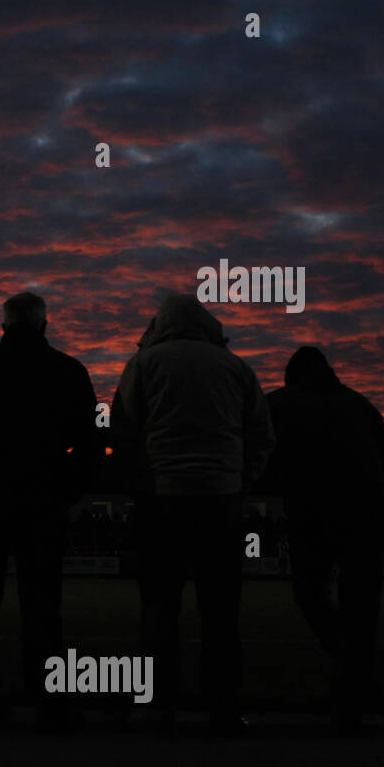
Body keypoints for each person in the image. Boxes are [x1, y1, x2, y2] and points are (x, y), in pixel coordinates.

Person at [111, 293, 275, 735]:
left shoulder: (143, 364)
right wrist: (240, 478)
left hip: (163, 498)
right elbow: (261, 432)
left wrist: (140, 483)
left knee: (159, 607)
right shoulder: (236, 367)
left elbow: (122, 430)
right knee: (221, 611)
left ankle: (157, 706)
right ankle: (222, 709)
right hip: (221, 499)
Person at [0, 292, 98, 731]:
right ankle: (51, 706)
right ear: (44, 325)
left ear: (3, 325)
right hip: (42, 502)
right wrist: (68, 492)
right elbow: (88, 444)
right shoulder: (67, 370)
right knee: (44, 608)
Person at [265, 346, 384, 731]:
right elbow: (379, 452)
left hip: (313, 512)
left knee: (310, 593)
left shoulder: (279, 404)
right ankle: (353, 693)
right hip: (367, 513)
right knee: (361, 607)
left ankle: (352, 674)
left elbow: (261, 454)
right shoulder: (361, 405)